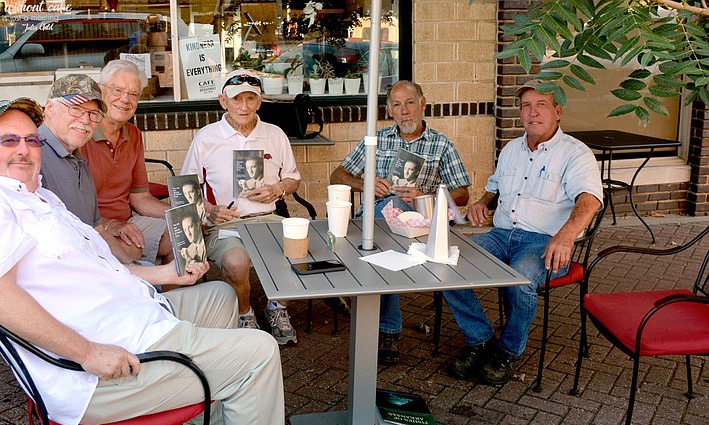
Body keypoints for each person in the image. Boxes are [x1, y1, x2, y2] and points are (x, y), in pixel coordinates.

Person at [0, 98, 287, 425]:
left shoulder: (38, 198)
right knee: (259, 353)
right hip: (99, 369)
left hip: (132, 321)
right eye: (9, 140)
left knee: (220, 297)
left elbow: (103, 270)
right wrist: (86, 352)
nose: (24, 149)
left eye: (31, 141)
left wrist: (166, 277)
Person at [442, 79, 603, 386]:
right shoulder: (512, 149)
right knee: (447, 266)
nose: (533, 112)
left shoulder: (575, 154)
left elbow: (590, 199)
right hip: (501, 235)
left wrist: (566, 234)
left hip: (545, 242)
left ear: (558, 111)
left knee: (521, 278)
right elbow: (494, 188)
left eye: (541, 105)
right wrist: (482, 203)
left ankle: (508, 350)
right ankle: (481, 340)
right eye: (527, 106)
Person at [330, 80, 471, 364]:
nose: (404, 111)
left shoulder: (441, 144)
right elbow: (337, 176)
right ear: (389, 110)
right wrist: (365, 183)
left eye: (409, 103)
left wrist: (426, 195)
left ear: (423, 104)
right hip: (375, 224)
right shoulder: (376, 139)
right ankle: (387, 328)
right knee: (386, 222)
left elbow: (463, 193)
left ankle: (387, 328)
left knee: (391, 218)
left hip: (419, 225)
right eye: (397, 105)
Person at [181, 69, 302, 345]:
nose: (244, 106)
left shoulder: (275, 134)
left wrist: (278, 188)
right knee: (235, 263)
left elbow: (294, 178)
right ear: (223, 101)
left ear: (260, 102)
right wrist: (209, 210)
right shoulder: (207, 137)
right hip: (227, 224)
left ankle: (278, 309)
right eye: (237, 99)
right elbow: (187, 189)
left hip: (269, 217)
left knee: (301, 252)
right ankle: (244, 313)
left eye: (251, 99)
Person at [81, 59, 173, 265]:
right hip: (91, 227)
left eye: (133, 94)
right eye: (117, 90)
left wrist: (180, 213)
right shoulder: (81, 134)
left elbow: (140, 199)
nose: (125, 99)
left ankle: (173, 297)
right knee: (130, 251)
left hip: (128, 220)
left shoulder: (133, 134)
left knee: (184, 232)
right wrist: (109, 225)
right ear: (100, 90)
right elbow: (69, 208)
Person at [38, 74, 133, 263]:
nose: (85, 120)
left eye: (93, 114)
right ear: (49, 108)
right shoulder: (31, 156)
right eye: (76, 109)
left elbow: (95, 231)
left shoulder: (78, 159)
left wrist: (132, 265)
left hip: (94, 269)